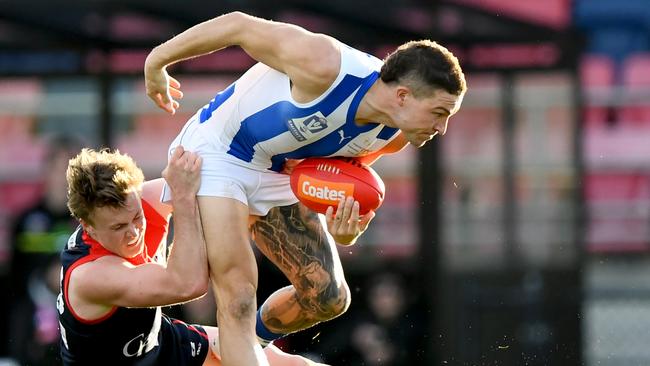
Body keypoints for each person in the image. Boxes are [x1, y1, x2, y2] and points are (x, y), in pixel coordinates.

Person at [144, 11, 467, 365]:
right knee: (237, 296)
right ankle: (233, 342)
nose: (442, 128)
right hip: (220, 152)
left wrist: (345, 232)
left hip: (280, 169)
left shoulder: (394, 136)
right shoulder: (324, 64)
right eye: (439, 112)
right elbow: (237, 24)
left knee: (327, 296)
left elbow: (321, 179)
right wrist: (157, 61)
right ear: (403, 96)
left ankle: (236, 343)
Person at [57, 147, 329, 365]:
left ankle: (255, 335)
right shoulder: (91, 275)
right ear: (88, 225)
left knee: (292, 364)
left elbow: (228, 189)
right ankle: (256, 333)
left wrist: (327, 204)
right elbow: (189, 283)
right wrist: (184, 198)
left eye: (136, 217)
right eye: (118, 227)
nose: (134, 232)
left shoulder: (146, 199)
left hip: (160, 345)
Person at [4, 135, 82, 365]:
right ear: (46, 171)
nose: (63, 177)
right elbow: (14, 279)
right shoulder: (25, 220)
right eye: (57, 168)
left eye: (69, 169)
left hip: (77, 319)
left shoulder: (89, 223)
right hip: (28, 322)